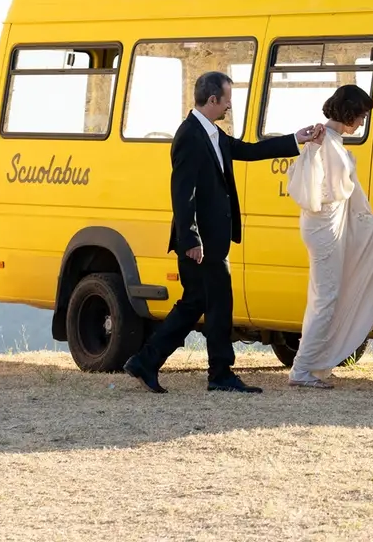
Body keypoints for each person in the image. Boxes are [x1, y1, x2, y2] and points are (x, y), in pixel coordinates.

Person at [124, 71, 324, 395]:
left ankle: (148, 362)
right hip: (201, 242)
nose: (230, 106)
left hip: (213, 239)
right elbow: (183, 192)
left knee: (197, 303)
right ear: (213, 99)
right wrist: (191, 239)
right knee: (215, 304)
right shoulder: (190, 135)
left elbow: (249, 151)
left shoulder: (213, 133)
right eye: (227, 100)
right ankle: (217, 373)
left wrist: (294, 139)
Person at [284, 84, 373, 389]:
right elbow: (317, 188)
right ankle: (302, 370)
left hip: (335, 224)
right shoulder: (323, 141)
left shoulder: (331, 140)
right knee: (326, 298)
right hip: (326, 228)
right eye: (361, 115)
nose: (362, 121)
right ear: (350, 113)